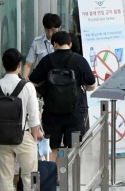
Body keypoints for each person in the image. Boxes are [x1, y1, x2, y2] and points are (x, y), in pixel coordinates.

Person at [0, 46, 43, 191]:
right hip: (24, 136)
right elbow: (34, 118)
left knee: (6, 178)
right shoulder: (27, 87)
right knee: (28, 176)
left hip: (2, 139)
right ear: (19, 65)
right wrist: (35, 140)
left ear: (4, 65)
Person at [28, 31, 96, 160]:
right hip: (75, 110)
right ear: (70, 44)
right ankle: (71, 176)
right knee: (74, 146)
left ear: (54, 44)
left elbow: (33, 81)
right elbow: (91, 84)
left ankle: (54, 177)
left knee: (53, 147)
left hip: (52, 111)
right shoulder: (79, 60)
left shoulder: (47, 60)